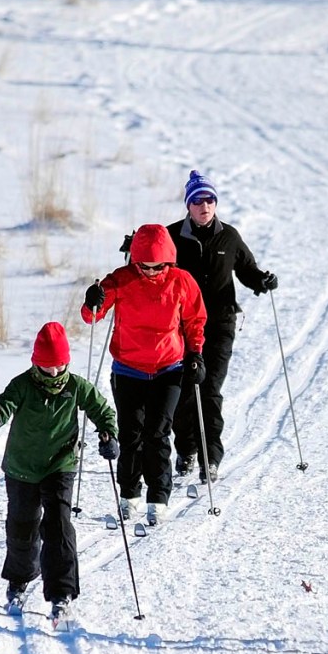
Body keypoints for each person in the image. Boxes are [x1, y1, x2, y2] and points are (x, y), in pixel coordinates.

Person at [0, 321, 118, 621]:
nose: (54, 373)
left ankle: (62, 591)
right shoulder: (23, 384)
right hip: (21, 467)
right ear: (35, 362)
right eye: (46, 366)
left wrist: (110, 435)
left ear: (66, 361)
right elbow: (2, 405)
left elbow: (102, 410)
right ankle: (19, 580)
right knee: (22, 526)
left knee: (58, 525)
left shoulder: (76, 386)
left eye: (59, 365)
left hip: (60, 464)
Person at [82, 223, 206, 525]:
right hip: (128, 369)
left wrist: (196, 354)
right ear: (134, 260)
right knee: (131, 435)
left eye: (157, 266)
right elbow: (92, 317)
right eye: (144, 266)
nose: (150, 272)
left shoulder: (182, 281)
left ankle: (158, 496)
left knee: (158, 434)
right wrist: (92, 300)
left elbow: (195, 320)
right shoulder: (122, 280)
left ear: (169, 261)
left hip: (169, 368)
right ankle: (129, 494)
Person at [166, 170, 278, 483]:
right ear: (188, 205)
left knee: (209, 388)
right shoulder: (171, 236)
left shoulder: (229, 237)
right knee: (184, 390)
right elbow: (150, 268)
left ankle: (210, 458)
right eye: (198, 200)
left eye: (210, 199)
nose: (205, 205)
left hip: (220, 323)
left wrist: (263, 281)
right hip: (179, 327)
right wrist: (135, 250)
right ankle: (186, 450)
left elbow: (248, 271)